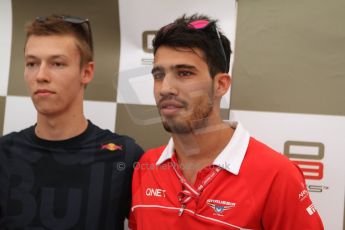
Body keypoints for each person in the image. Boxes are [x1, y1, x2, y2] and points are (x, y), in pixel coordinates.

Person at [129, 14, 324, 230]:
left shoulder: (277, 175)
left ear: (221, 84)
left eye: (184, 73)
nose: (165, 88)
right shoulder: (146, 166)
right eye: (158, 75)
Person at [0, 14, 143, 230]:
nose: (41, 75)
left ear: (86, 72)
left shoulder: (124, 155)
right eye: (32, 63)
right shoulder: (4, 154)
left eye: (57, 63)